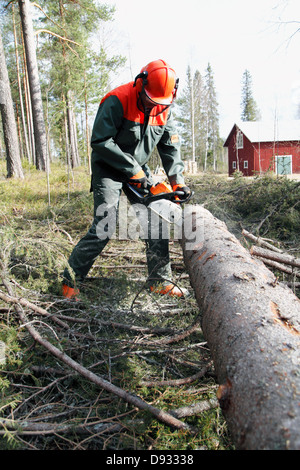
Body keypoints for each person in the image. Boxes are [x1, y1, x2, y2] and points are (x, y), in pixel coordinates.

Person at [62, 59, 191, 300]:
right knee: (106, 223)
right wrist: (133, 170)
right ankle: (70, 280)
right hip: (108, 166)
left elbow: (170, 147)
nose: (155, 106)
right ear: (140, 85)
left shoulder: (165, 107)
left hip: (139, 169)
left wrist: (177, 181)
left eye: (160, 103)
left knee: (156, 219)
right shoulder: (117, 100)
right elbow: (100, 141)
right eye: (151, 101)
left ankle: (159, 280)